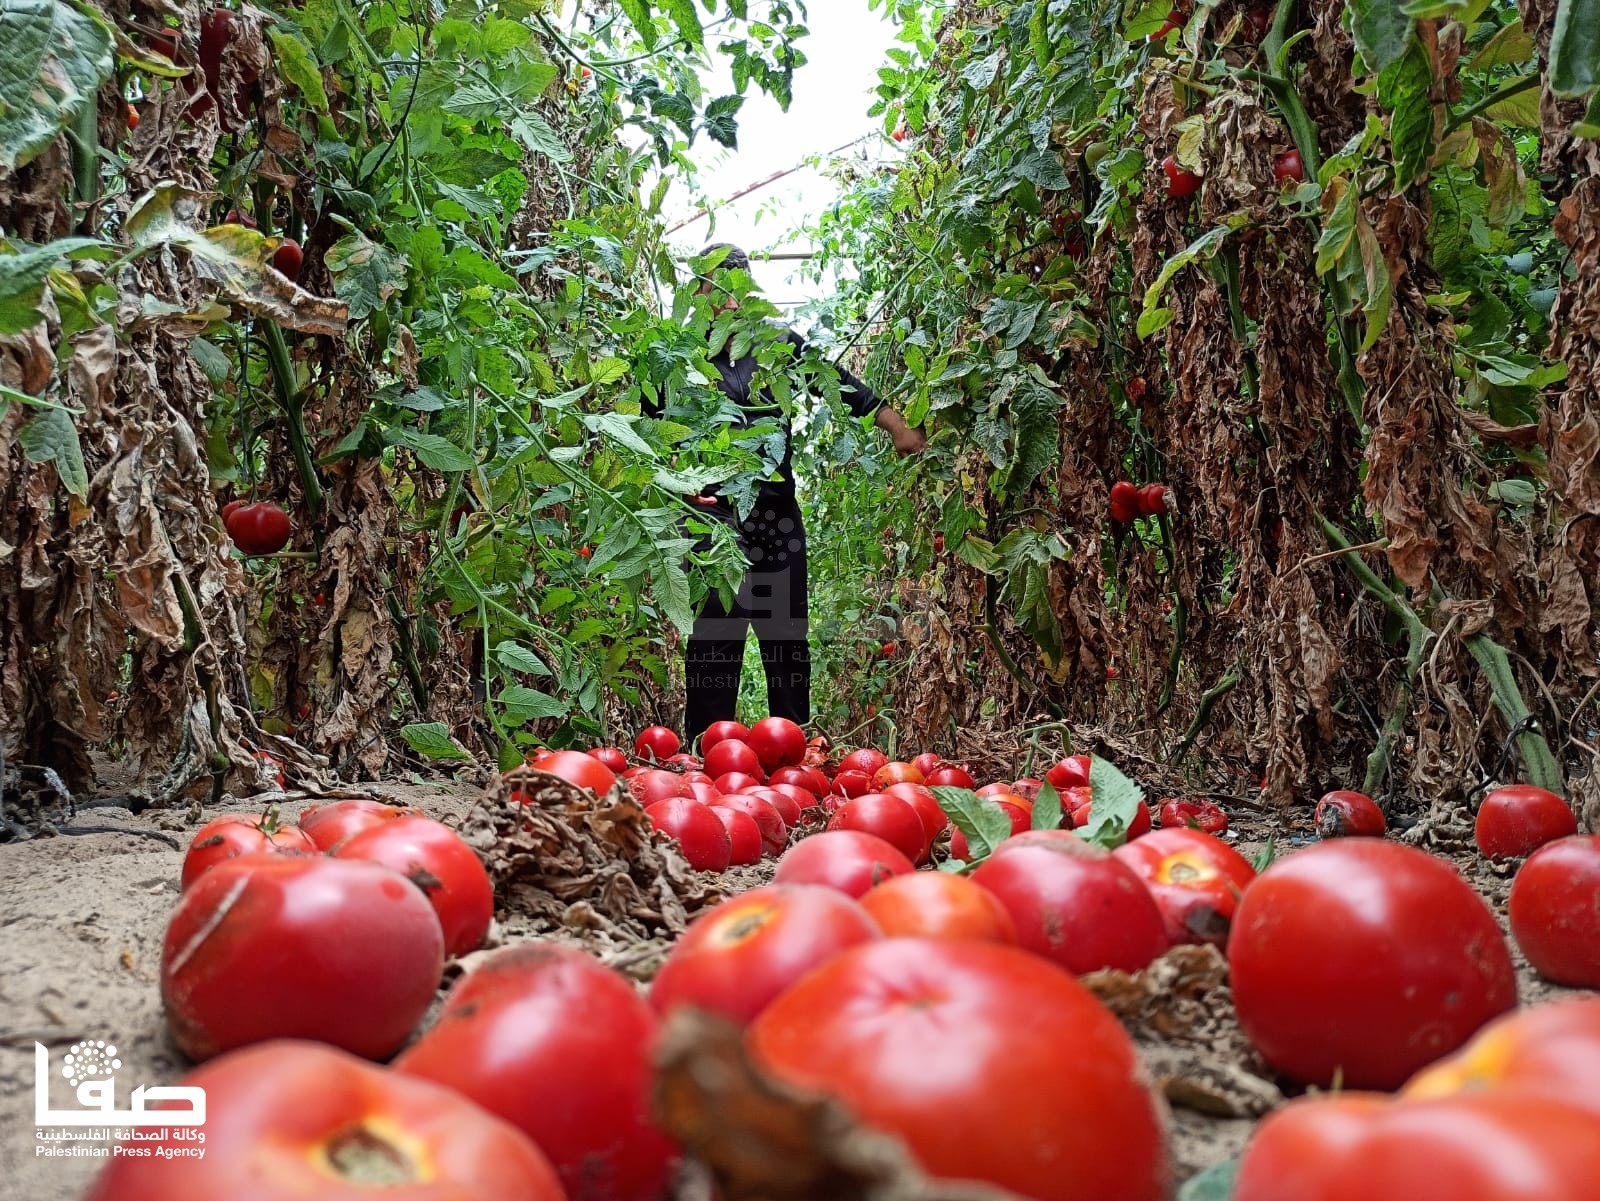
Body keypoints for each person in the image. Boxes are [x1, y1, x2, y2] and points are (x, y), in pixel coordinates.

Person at [668, 243, 925, 741]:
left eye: (736, 289)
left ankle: (795, 753)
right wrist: (675, 481)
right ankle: (705, 754)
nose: (727, 301)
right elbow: (646, 432)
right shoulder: (678, 357)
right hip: (710, 519)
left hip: (775, 514)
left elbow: (835, 382)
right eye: (715, 289)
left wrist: (896, 425)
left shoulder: (776, 343)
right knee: (715, 640)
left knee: (786, 638)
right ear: (696, 292)